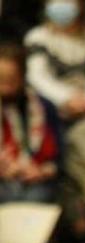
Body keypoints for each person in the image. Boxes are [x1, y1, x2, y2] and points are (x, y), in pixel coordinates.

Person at [25, 0, 85, 120]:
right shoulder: (36, 37)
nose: (61, 4)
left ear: (81, 5)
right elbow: (37, 76)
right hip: (51, 111)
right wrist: (66, 98)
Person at [0, 42, 64, 203]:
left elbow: (61, 155)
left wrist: (43, 170)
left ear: (22, 77)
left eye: (10, 80)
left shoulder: (43, 107)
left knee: (36, 197)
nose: (5, 88)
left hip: (38, 177)